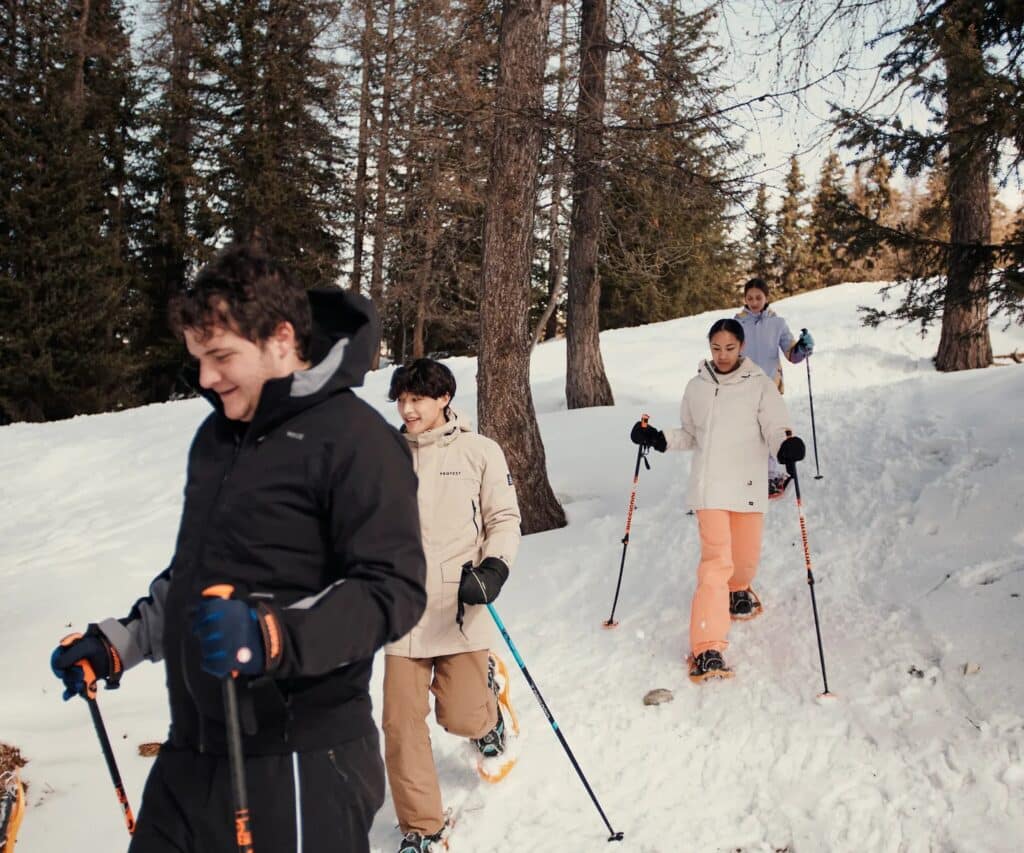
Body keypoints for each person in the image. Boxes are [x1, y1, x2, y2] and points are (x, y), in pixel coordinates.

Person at [49, 244, 427, 853]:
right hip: (194, 752)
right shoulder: (219, 436)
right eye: (198, 358)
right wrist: (123, 641)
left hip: (301, 758)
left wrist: (273, 635)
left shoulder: (356, 441)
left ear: (281, 338)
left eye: (221, 357)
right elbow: (202, 573)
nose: (205, 378)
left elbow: (393, 590)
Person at [382, 358, 522, 853]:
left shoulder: (479, 451)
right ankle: (422, 828)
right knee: (400, 724)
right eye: (401, 399)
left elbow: (504, 517)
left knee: (461, 717)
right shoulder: (383, 455)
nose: (408, 408)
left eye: (417, 398)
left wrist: (494, 569)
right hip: (401, 609)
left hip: (459, 602)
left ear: (444, 398)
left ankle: (489, 714)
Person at [630, 318, 806, 682]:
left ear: (741, 346)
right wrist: (658, 438)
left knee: (744, 560)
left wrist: (786, 444)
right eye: (716, 348)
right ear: (709, 348)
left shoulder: (759, 386)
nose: (722, 355)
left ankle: (739, 589)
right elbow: (690, 434)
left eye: (729, 348)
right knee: (715, 563)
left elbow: (776, 426)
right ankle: (707, 646)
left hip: (746, 485)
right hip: (710, 489)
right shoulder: (696, 387)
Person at [735, 277, 814, 498]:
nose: (754, 301)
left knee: (770, 430)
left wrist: (804, 347)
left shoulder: (778, 324)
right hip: (744, 386)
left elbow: (792, 354)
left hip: (771, 386)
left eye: (758, 297)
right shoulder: (737, 323)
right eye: (749, 298)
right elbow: (729, 352)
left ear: (766, 297)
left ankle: (769, 476)